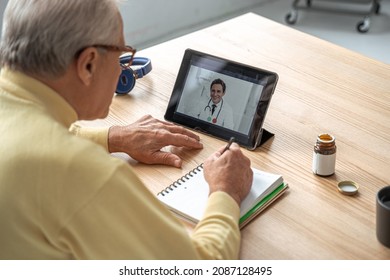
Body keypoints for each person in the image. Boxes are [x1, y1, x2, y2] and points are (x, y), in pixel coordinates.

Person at [0, 0, 253, 259]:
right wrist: (226, 191)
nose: (123, 69)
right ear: (88, 64)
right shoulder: (80, 172)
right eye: (121, 56)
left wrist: (113, 138)